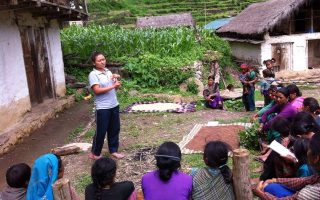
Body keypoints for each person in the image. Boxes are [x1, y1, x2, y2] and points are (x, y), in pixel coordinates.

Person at [254, 133, 320, 200]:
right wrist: (275, 180)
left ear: (316, 158)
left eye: (309, 149)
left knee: (268, 188)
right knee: (271, 186)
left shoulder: (311, 192)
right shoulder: (317, 176)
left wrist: (260, 193)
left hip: (300, 194)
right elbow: (304, 180)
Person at [88, 52, 124, 160]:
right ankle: (95, 153)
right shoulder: (93, 75)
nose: (103, 62)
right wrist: (113, 86)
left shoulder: (108, 72)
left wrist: (116, 84)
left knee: (114, 129)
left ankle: (113, 150)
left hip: (114, 104)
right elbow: (97, 90)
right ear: (94, 63)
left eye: (103, 59)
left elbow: (114, 89)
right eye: (99, 60)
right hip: (103, 107)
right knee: (101, 130)